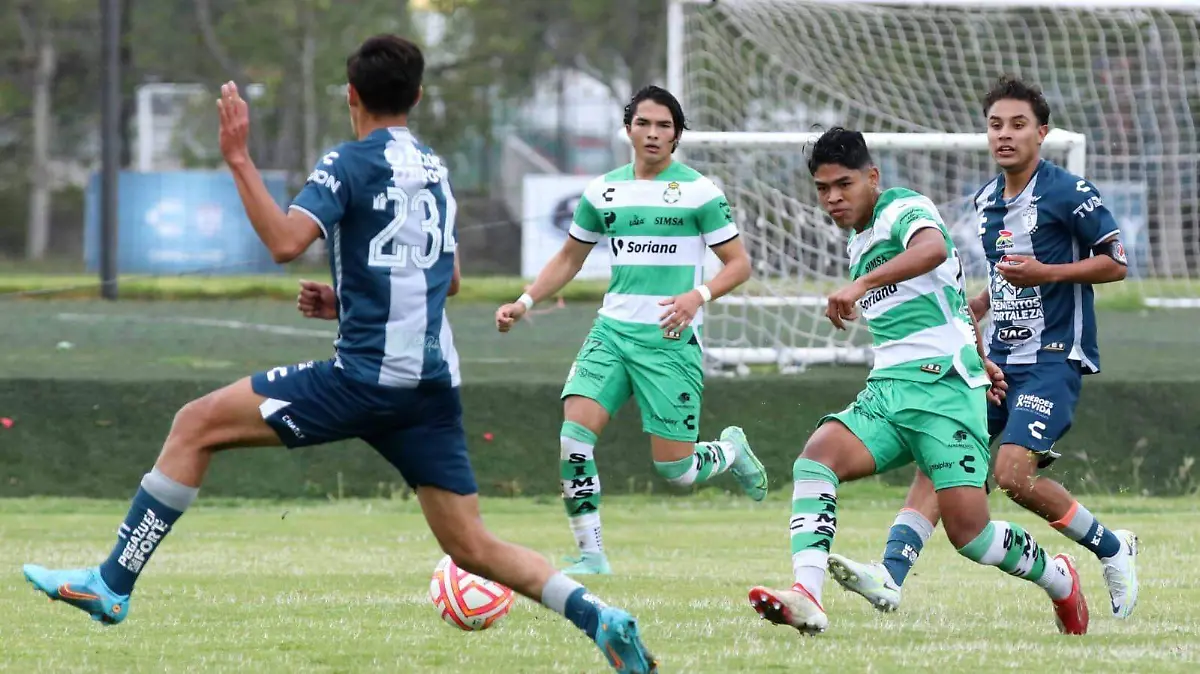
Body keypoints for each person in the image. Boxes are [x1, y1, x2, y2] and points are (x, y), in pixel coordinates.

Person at [22, 35, 658, 674]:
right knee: (472, 546)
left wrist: (239, 158)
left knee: (195, 424)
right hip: (429, 387)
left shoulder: (348, 162)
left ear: (351, 97)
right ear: (416, 97)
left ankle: (112, 585)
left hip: (364, 379)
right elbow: (450, 277)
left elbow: (283, 242)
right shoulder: (436, 169)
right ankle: (598, 617)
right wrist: (351, 301)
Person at [746, 126, 1089, 635]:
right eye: (822, 189)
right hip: (888, 389)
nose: (834, 197)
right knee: (816, 459)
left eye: (844, 183)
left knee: (971, 536)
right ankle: (806, 595)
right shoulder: (858, 239)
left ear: (872, 177)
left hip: (945, 394)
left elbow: (931, 249)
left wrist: (862, 283)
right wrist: (982, 355)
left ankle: (1059, 578)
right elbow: (951, 294)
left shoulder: (903, 208)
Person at [825, 76, 1139, 622]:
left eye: (1018, 125)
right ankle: (890, 576)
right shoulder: (987, 200)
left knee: (1013, 474)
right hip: (996, 356)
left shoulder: (1068, 191)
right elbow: (1003, 277)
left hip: (1053, 357)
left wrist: (1049, 272)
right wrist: (973, 308)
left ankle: (1113, 548)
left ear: (1041, 133)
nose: (1005, 135)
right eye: (996, 125)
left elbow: (1116, 262)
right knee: (938, 458)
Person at [494, 85, 766, 576]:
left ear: (677, 135)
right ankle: (591, 555)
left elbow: (739, 264)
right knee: (573, 438)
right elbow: (569, 258)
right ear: (628, 129)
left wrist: (696, 296)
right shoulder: (602, 191)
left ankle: (729, 450)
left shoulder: (700, 193)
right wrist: (525, 300)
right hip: (612, 334)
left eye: (665, 126)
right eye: (644, 123)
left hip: (668, 342)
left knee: (676, 472)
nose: (654, 133)